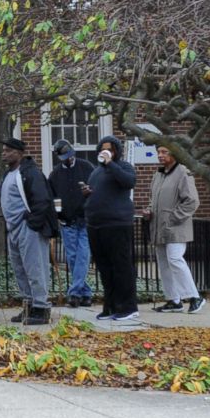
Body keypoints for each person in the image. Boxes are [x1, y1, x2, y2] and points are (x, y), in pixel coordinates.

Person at [0, 138, 59, 326]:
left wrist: (32, 223)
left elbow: (42, 200)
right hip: (13, 228)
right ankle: (28, 306)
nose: (4, 153)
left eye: (8, 150)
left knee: (35, 268)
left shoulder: (30, 172)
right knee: (20, 270)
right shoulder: (9, 174)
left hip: (28, 228)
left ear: (19, 152)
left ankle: (41, 308)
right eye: (3, 150)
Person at [82, 135, 138, 321]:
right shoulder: (96, 172)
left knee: (121, 266)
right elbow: (96, 191)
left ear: (117, 152)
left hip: (117, 224)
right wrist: (87, 193)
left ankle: (128, 306)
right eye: (103, 149)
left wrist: (111, 163)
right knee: (105, 268)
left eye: (110, 149)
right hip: (96, 225)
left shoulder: (123, 167)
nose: (106, 152)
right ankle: (111, 306)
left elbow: (128, 182)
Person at [146, 146, 204, 314]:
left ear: (175, 154)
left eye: (165, 152)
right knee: (164, 263)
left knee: (175, 259)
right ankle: (174, 300)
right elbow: (153, 199)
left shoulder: (183, 173)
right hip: (159, 226)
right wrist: (149, 210)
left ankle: (194, 297)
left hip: (176, 227)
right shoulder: (158, 174)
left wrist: (173, 218)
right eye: (158, 152)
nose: (160, 155)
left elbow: (192, 201)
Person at [48, 139, 95, 308]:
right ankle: (86, 293)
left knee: (83, 255)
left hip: (85, 218)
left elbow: (97, 189)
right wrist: (59, 214)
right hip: (67, 220)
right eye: (65, 157)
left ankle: (74, 293)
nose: (69, 159)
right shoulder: (55, 175)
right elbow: (54, 198)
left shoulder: (87, 167)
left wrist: (90, 193)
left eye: (70, 156)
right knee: (73, 257)